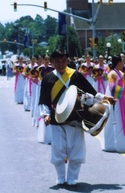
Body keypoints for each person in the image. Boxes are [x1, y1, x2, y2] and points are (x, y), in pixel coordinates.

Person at [39, 49, 115, 185]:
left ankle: (72, 177)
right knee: (58, 148)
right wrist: (45, 115)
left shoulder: (75, 75)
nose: (60, 63)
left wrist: (104, 97)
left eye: (63, 60)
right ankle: (60, 176)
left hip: (75, 117)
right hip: (57, 119)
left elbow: (91, 91)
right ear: (52, 62)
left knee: (75, 148)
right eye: (57, 61)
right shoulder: (47, 78)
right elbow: (44, 99)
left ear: (67, 61)